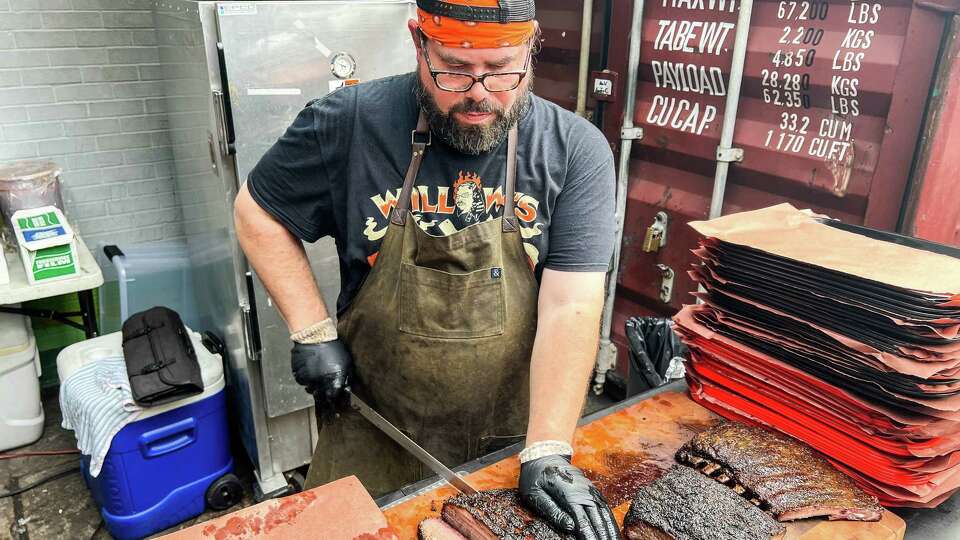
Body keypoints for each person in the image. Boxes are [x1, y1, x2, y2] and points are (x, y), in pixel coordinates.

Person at [233, 0, 619, 537]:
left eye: (503, 69)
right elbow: (256, 211)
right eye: (455, 69)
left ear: (532, 50)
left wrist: (549, 446)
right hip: (374, 429)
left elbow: (571, 303)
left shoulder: (575, 150)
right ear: (418, 42)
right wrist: (312, 331)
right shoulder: (348, 123)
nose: (479, 92)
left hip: (511, 441)